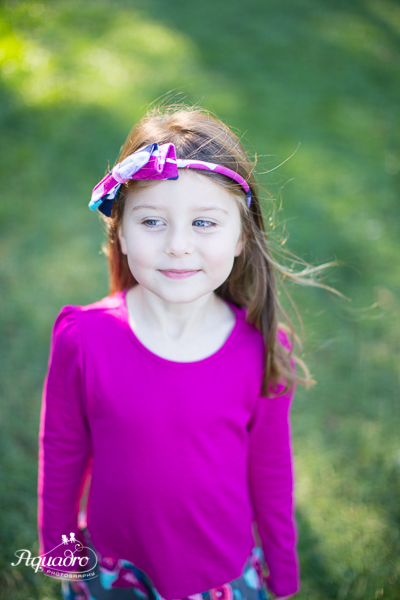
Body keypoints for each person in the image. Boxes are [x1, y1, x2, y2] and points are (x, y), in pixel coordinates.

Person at [38, 106, 327, 600]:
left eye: (203, 223)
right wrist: (59, 553)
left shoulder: (260, 350)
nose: (177, 245)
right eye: (152, 221)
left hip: (221, 575)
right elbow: (62, 453)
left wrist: (282, 565)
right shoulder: (83, 339)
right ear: (121, 232)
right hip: (116, 568)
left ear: (241, 236)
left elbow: (270, 470)